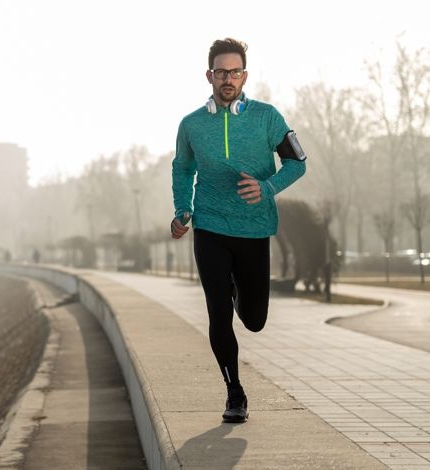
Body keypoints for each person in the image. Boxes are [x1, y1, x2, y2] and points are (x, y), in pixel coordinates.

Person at [171, 38, 306, 423]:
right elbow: (183, 168)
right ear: (209, 75)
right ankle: (234, 393)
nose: (227, 78)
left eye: (234, 71)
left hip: (254, 229)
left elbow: (297, 164)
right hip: (210, 226)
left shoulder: (268, 118)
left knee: (255, 320)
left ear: (244, 75)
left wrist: (267, 188)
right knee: (217, 314)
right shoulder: (192, 124)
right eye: (220, 72)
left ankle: (235, 292)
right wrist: (183, 210)